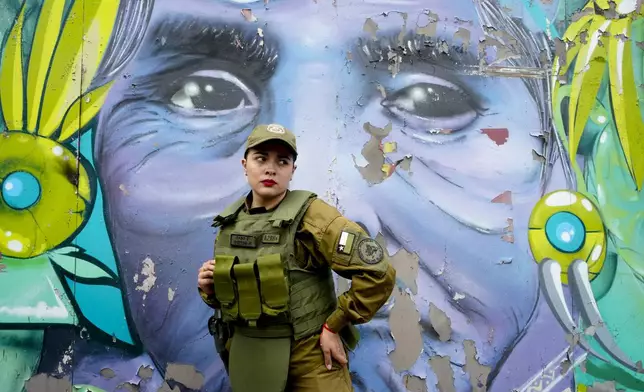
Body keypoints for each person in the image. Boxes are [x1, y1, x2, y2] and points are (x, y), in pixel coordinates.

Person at [196, 123, 397, 392]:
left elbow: (378, 272)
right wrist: (209, 290)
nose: (271, 168)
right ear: (245, 165)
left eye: (282, 160)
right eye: (261, 158)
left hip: (309, 354)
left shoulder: (313, 215)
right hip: (250, 354)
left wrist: (333, 325)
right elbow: (235, 297)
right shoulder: (230, 223)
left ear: (293, 170)